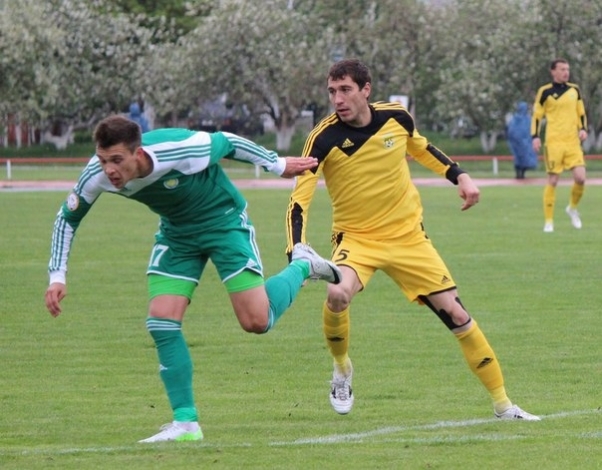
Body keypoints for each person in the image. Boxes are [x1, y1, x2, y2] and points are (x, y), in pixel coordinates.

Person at [44, 115, 342, 443]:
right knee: (161, 321)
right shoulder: (96, 175)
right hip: (177, 234)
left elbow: (227, 141)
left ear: (137, 153)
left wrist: (276, 163)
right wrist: (57, 276)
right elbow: (67, 218)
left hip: (222, 221)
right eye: (103, 161)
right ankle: (185, 423)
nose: (109, 170)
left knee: (256, 321)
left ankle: (302, 265)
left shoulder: (178, 149)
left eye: (117, 160)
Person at [285, 58, 539, 421]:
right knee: (337, 293)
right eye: (332, 91)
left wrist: (460, 176)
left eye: (345, 90)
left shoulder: (396, 118)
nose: (337, 99)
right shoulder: (322, 138)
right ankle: (341, 369)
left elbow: (422, 148)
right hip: (357, 239)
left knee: (457, 314)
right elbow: (299, 200)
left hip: (408, 238)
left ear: (366, 90)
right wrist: (295, 249)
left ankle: (504, 406)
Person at [531, 58, 588, 233]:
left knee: (581, 178)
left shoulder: (574, 90)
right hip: (554, 143)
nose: (566, 72)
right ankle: (549, 221)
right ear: (553, 71)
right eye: (562, 69)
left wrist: (583, 129)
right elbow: (537, 116)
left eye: (567, 69)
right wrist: (535, 136)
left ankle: (572, 208)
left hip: (572, 142)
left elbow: (581, 112)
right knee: (553, 180)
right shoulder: (545, 91)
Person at [506, 101, 538, 179]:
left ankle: (521, 173)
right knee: (520, 158)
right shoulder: (521, 119)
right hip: (522, 142)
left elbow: (510, 130)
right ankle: (520, 173)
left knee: (521, 158)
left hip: (521, 142)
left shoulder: (517, 119)